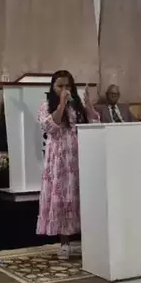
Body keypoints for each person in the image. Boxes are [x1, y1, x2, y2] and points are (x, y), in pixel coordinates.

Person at [37, 70, 99, 259]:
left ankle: (90, 241)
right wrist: (62, 104)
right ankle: (64, 243)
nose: (64, 89)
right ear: (53, 87)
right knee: (63, 197)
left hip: (79, 155)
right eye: (60, 86)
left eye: (68, 85)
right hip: (59, 158)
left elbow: (94, 123)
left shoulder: (77, 105)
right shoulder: (46, 105)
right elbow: (49, 127)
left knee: (81, 197)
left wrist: (88, 106)